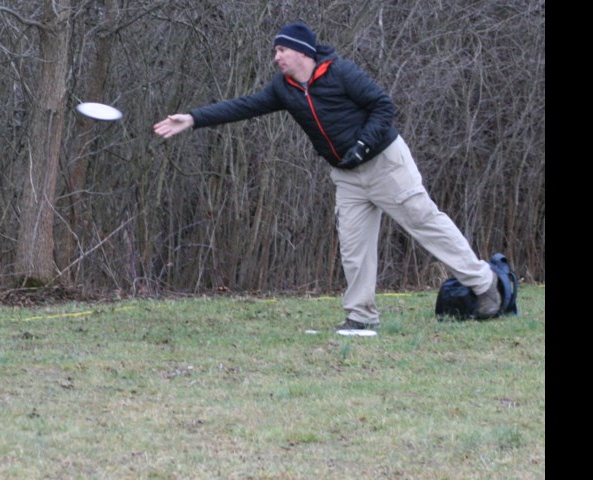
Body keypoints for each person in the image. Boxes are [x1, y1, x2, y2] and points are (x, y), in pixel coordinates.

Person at [153, 21, 501, 331]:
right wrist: (194, 118)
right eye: (275, 51)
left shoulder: (341, 72)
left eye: (282, 50)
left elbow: (383, 105)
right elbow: (245, 106)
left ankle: (484, 284)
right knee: (353, 248)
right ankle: (362, 317)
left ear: (302, 52)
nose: (276, 57)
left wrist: (364, 144)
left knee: (426, 223)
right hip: (346, 176)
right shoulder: (283, 88)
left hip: (385, 163)